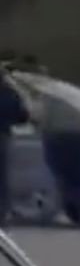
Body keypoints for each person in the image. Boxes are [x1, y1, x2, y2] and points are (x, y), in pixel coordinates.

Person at [0, 73, 29, 225]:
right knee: (2, 177)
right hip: (3, 136)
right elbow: (22, 116)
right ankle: (3, 213)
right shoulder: (10, 93)